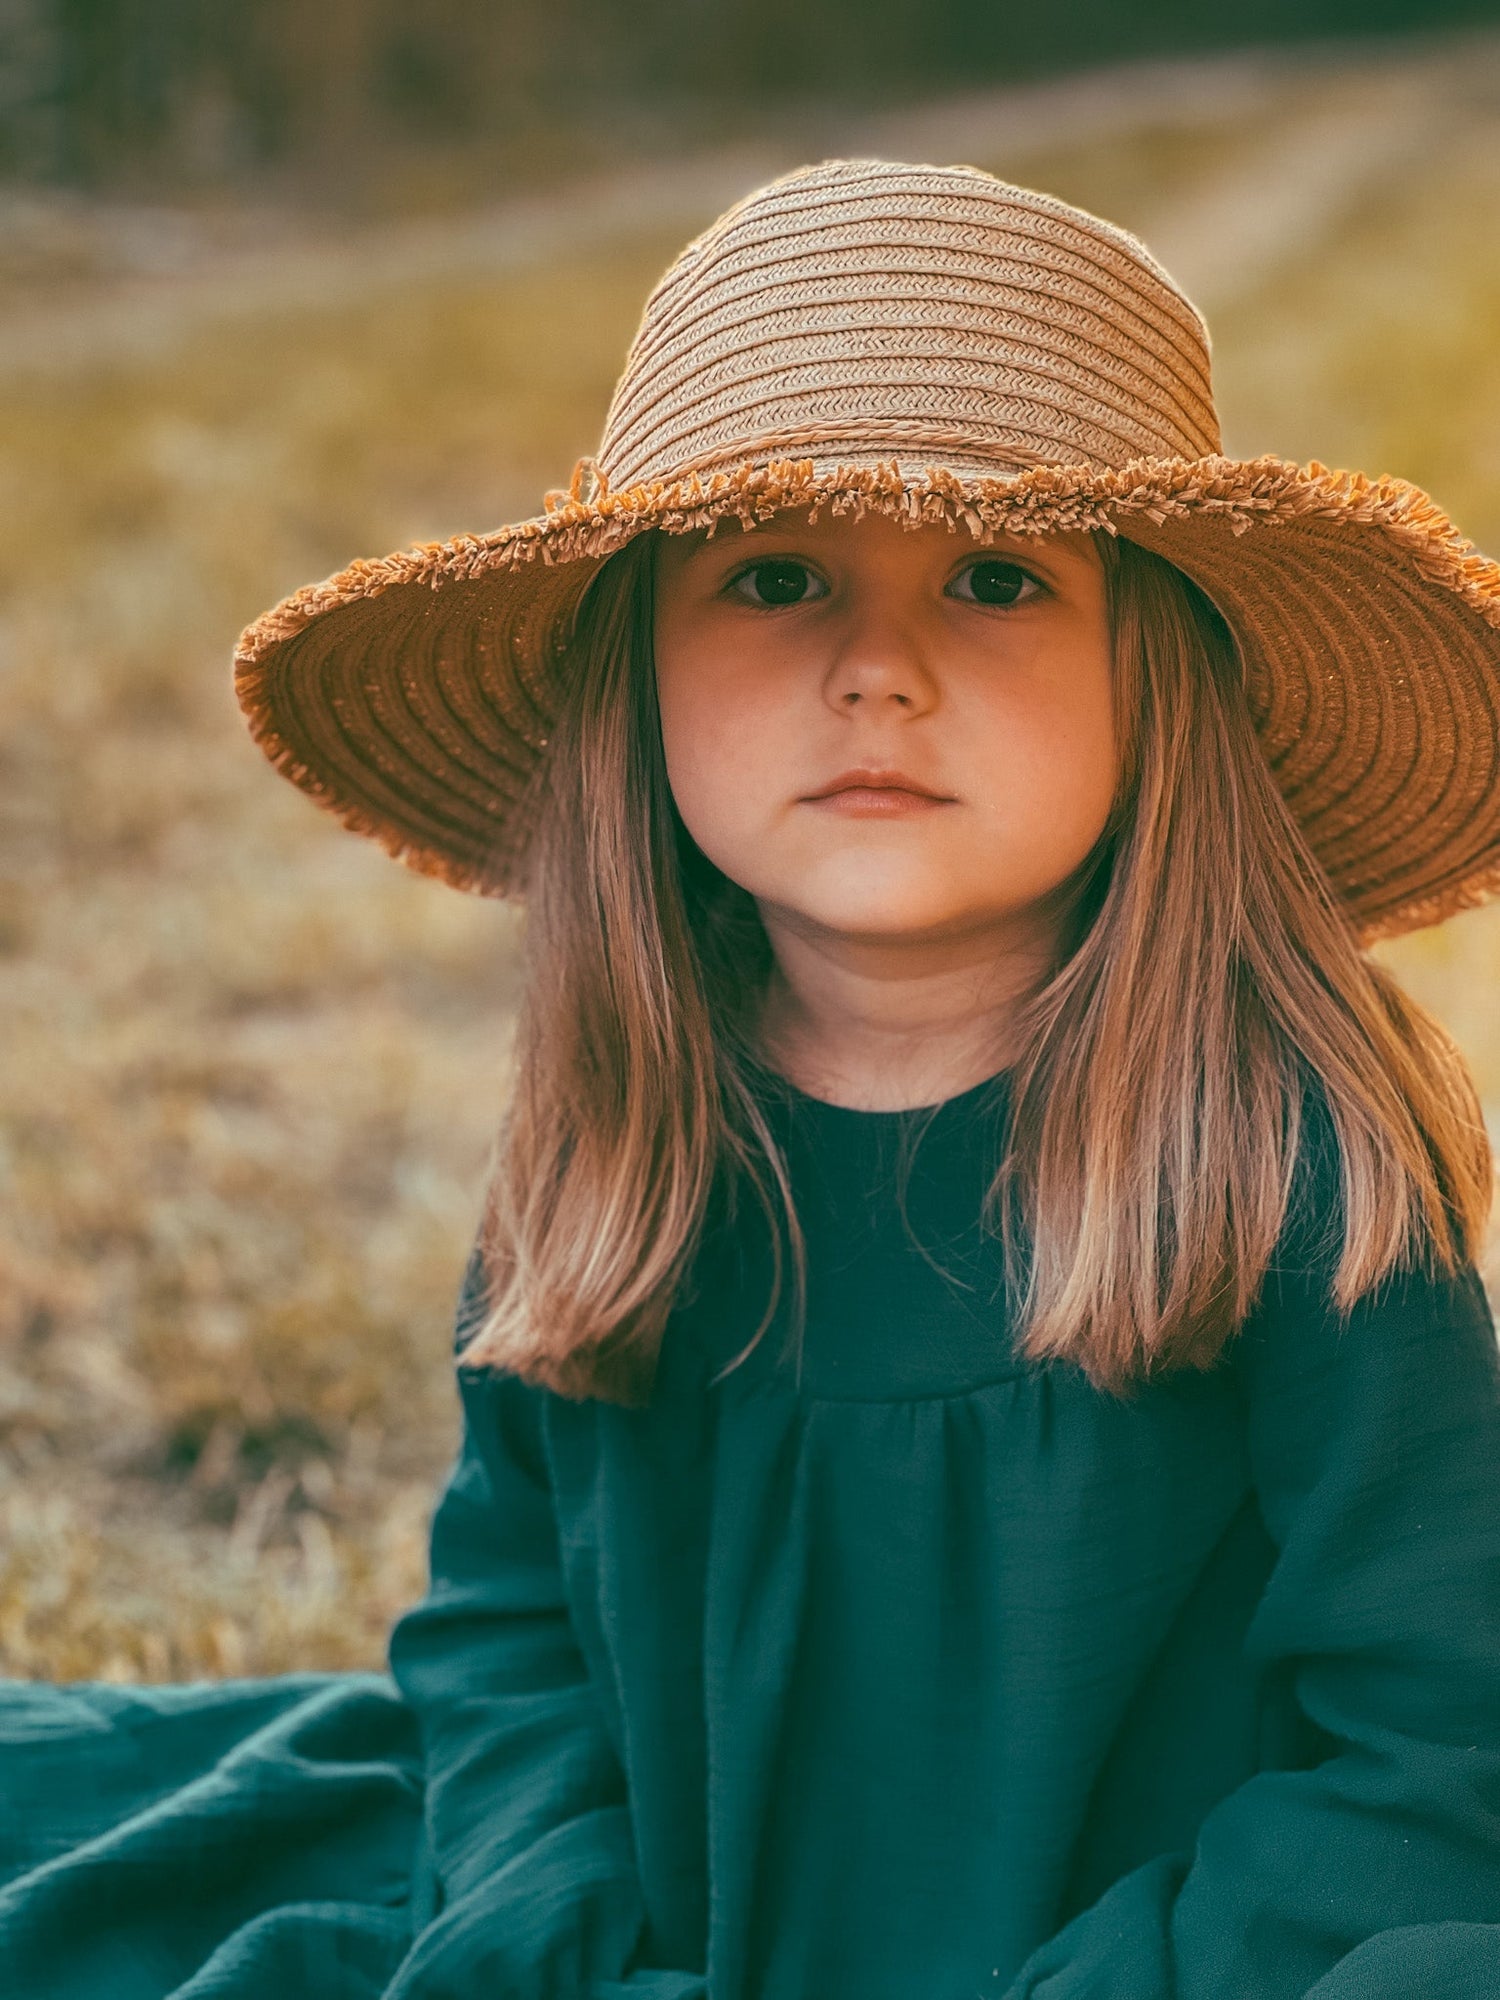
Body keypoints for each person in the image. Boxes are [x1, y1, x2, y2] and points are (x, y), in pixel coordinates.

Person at [4, 156, 1500, 1999]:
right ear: (637, 680)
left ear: (1153, 682)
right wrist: (561, 1938)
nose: (879, 665)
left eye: (998, 575)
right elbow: (508, 1628)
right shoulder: (629, 1146)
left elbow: (1439, 1749)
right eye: (775, 578)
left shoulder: (1292, 1165)